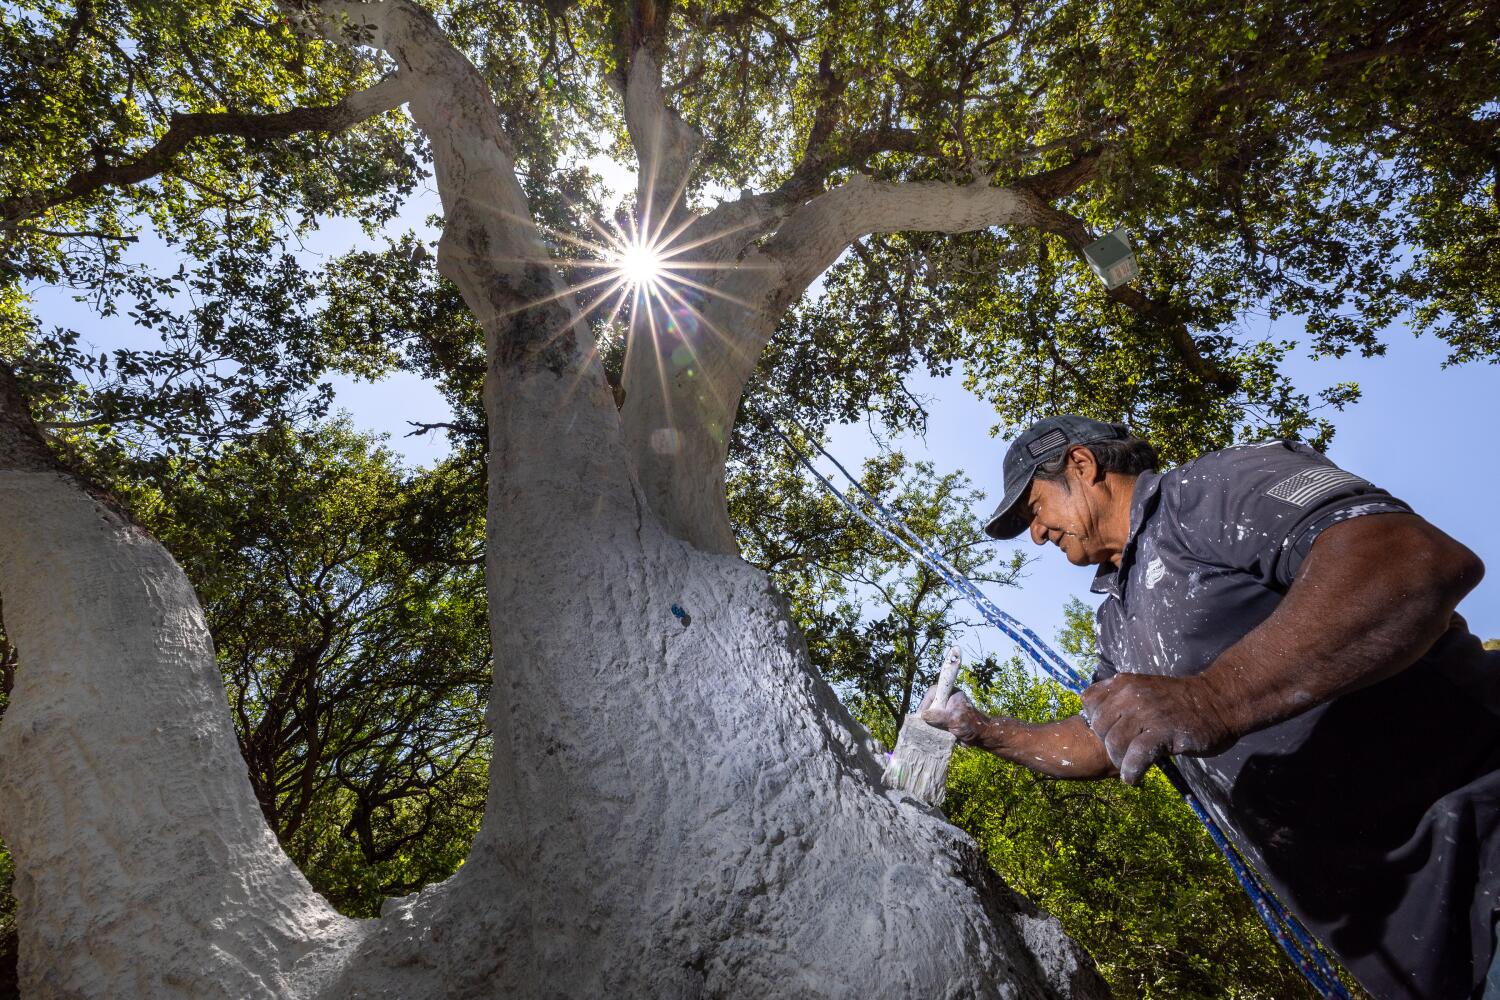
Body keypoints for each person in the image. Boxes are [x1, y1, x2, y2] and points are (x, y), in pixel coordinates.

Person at [919, 414, 1500, 999]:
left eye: (1034, 509)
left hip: (1483, 848)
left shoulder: (1207, 493)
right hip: (1430, 952)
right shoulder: (1118, 622)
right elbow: (1101, 739)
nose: (1037, 534)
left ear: (1081, 465)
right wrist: (983, 730)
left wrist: (1213, 698)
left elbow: (1407, 561)